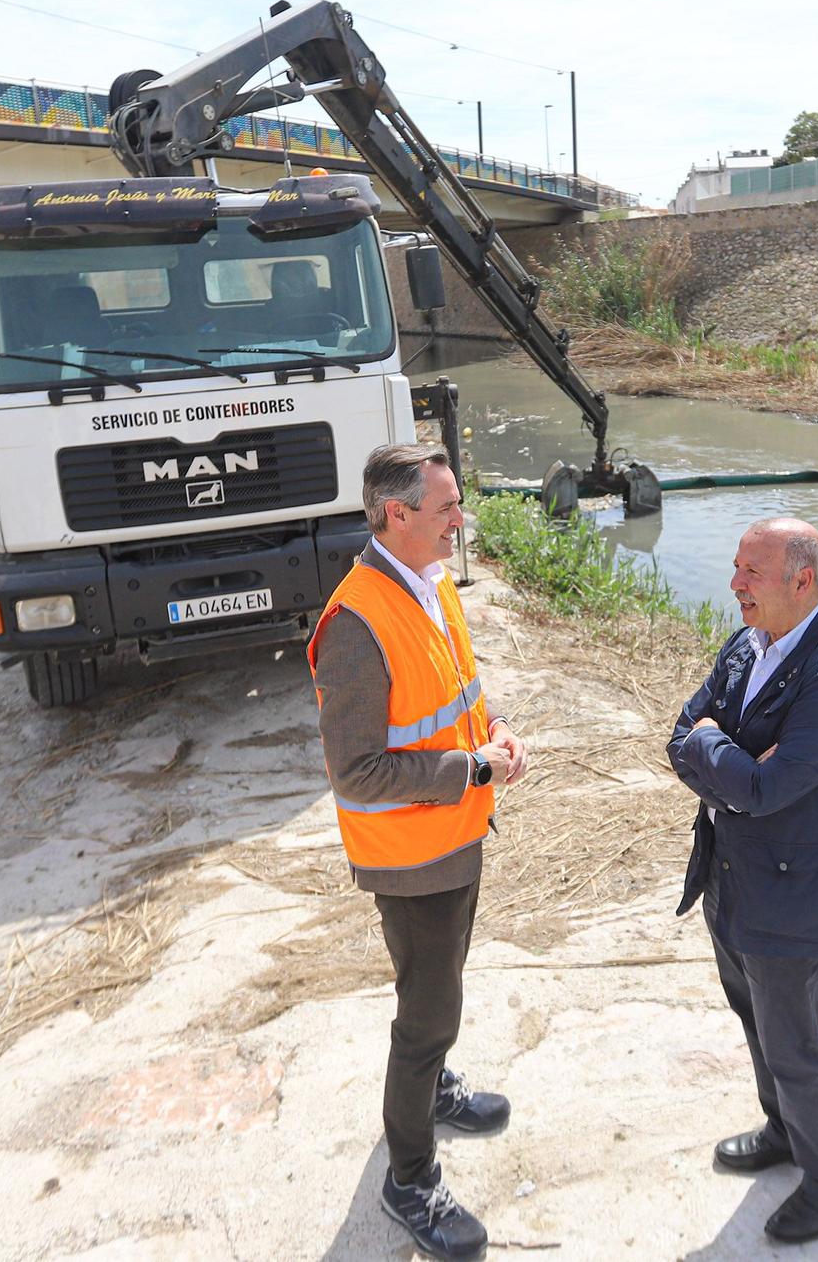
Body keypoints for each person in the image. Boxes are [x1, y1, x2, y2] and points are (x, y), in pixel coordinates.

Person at [306, 441, 528, 1262]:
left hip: (454, 836)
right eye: (446, 508)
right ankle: (410, 1176)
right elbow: (358, 772)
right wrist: (471, 768)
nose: (459, 520)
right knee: (429, 1011)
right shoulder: (356, 622)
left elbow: (459, 685)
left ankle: (434, 1089)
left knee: (443, 986)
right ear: (396, 514)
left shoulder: (429, 582)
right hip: (411, 855)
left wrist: (494, 726)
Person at [667, 517, 818, 1245]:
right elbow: (681, 732)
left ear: (802, 580)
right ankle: (786, 1131)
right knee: (753, 1018)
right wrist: (723, 751)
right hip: (732, 877)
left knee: (796, 1041)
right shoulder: (749, 641)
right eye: (735, 568)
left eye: (750, 573)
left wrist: (715, 747)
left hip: (794, 895)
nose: (735, 585)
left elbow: (765, 787)